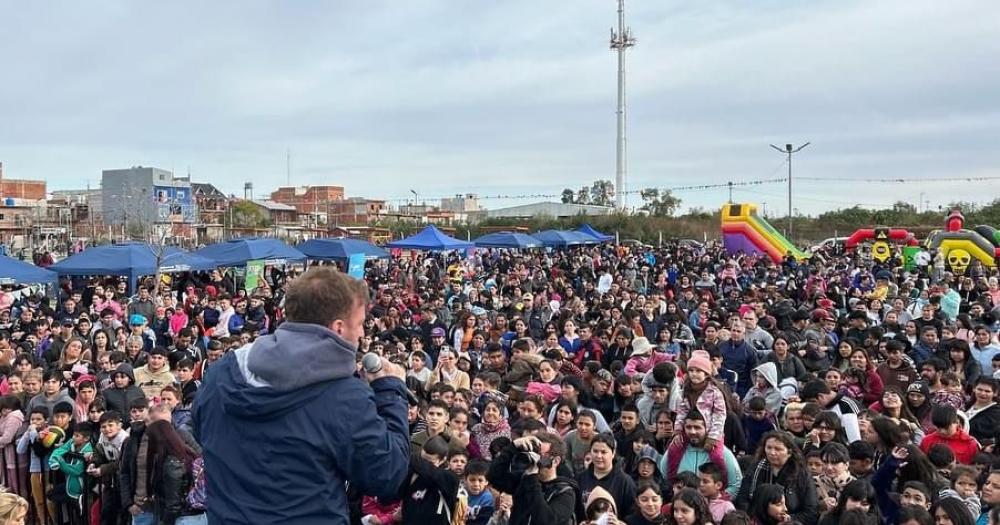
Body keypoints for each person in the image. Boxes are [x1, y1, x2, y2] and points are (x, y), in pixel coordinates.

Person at [192, 267, 410, 524]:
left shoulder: (222, 373)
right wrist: (391, 390)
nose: (363, 334)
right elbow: (386, 475)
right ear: (338, 328)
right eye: (360, 324)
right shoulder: (344, 397)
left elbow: (201, 431)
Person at [487, 432, 581, 525]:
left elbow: (546, 520)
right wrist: (513, 447)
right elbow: (493, 477)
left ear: (556, 461)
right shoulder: (523, 480)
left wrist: (532, 478)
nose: (536, 457)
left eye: (541, 455)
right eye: (534, 452)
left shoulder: (565, 492)